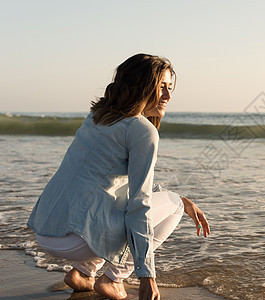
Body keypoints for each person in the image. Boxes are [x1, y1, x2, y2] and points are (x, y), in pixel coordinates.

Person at [27, 53, 210, 300]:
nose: (168, 96)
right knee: (175, 205)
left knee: (115, 201)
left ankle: (83, 273)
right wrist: (147, 276)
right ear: (142, 87)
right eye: (161, 88)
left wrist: (171, 194)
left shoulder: (98, 115)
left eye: (170, 88)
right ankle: (113, 278)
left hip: (47, 232)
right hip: (78, 240)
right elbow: (140, 205)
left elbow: (124, 183)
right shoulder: (141, 130)